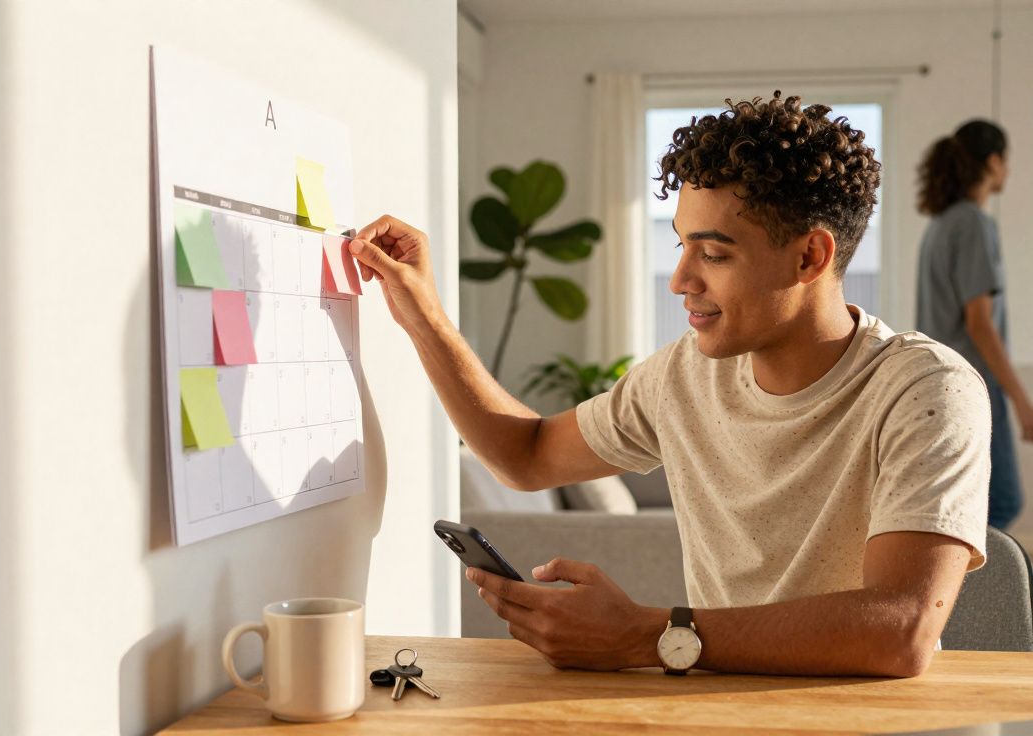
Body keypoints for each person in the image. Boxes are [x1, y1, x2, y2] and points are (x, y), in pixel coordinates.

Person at [349, 92, 989, 678]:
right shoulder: (684, 375)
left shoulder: (926, 390)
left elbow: (899, 631)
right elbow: (527, 455)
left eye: (713, 254)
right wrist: (423, 314)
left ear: (810, 257)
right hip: (708, 712)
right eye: (681, 245)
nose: (680, 279)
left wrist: (648, 636)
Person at [915, 120, 1033, 531]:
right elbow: (980, 324)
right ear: (993, 162)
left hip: (940, 383)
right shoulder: (972, 223)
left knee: (966, 507)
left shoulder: (941, 224)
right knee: (1001, 503)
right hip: (972, 386)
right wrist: (1022, 401)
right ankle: (963, 577)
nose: (1008, 170)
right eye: (1006, 160)